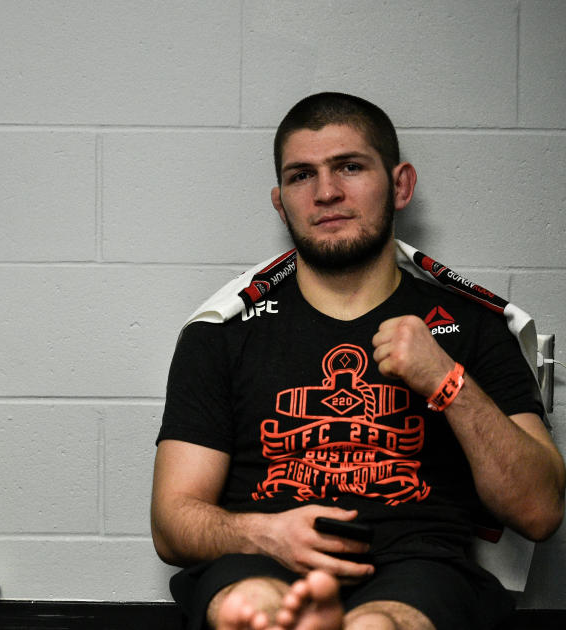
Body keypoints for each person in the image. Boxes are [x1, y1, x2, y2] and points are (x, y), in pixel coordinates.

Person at [151, 92, 565, 630]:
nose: (326, 192)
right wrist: (264, 533)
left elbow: (540, 512)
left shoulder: (471, 327)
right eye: (302, 176)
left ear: (400, 185)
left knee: (377, 628)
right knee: (251, 611)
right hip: (260, 559)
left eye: (350, 167)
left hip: (419, 565)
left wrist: (447, 381)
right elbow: (171, 523)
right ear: (281, 203)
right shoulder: (222, 334)